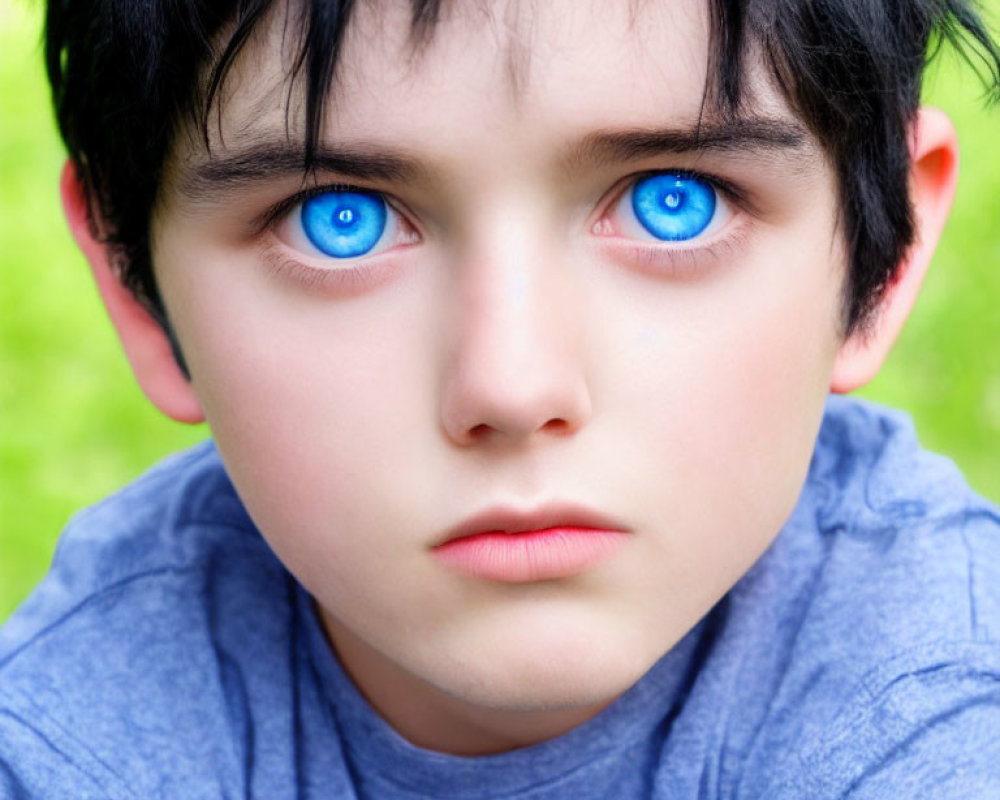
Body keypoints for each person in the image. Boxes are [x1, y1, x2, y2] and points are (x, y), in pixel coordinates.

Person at [2, 0, 999, 795]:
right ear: (136, 285)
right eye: (336, 220)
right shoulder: (70, 732)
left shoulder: (943, 711)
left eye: (672, 200)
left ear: (886, 248)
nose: (512, 386)